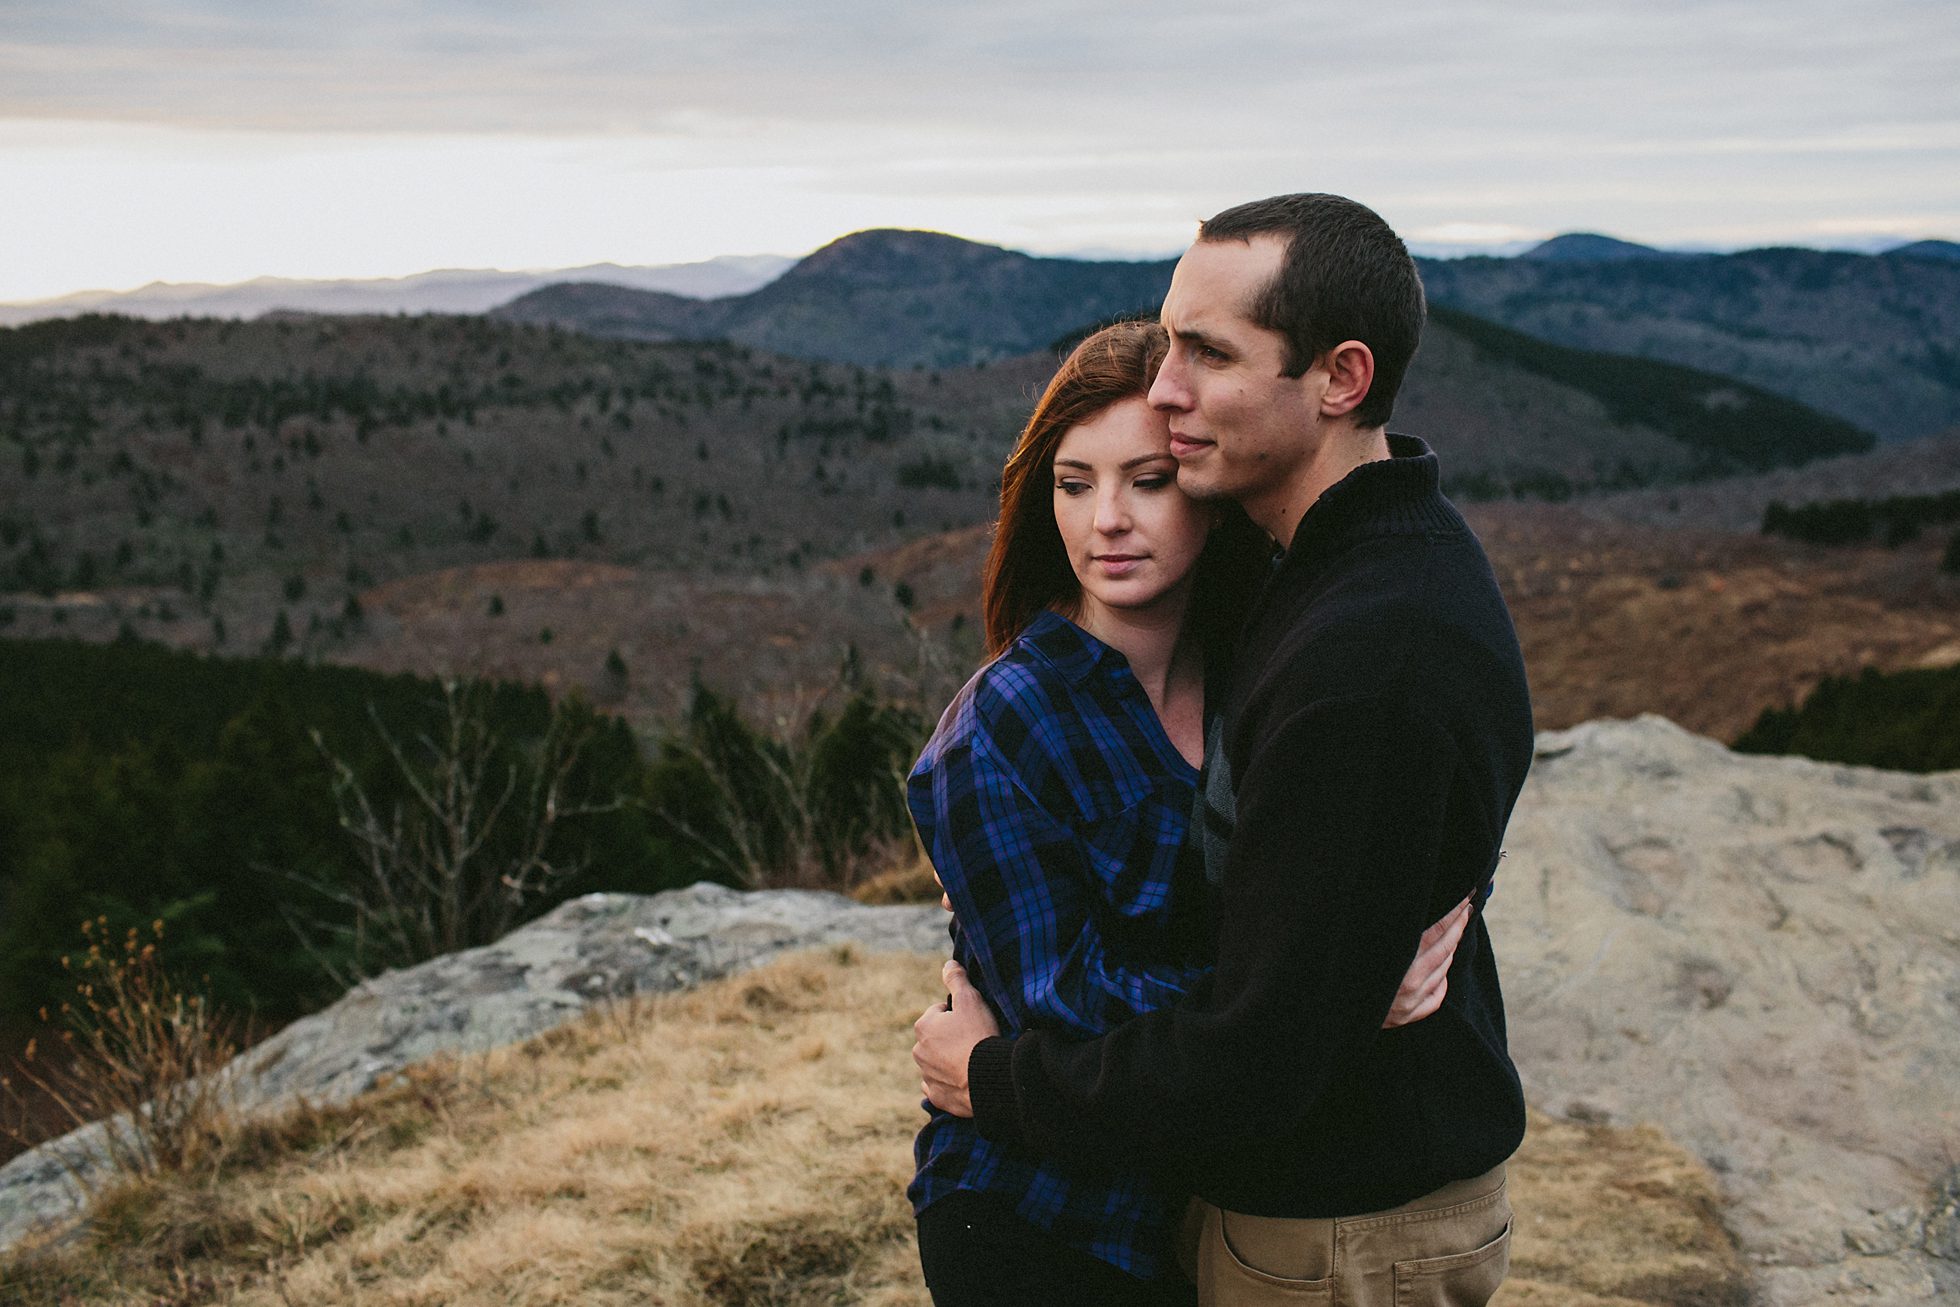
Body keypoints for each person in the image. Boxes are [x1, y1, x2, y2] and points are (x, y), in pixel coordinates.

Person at [914, 193, 1534, 1307]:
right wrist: (1334, 975)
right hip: (1078, 1210)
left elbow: (1271, 1026)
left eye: (1206, 351)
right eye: (1074, 481)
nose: (1167, 387)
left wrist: (1336, 973)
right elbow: (1142, 989)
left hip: (1320, 1217)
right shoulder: (1312, 594)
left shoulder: (1339, 638)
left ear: (1340, 379)